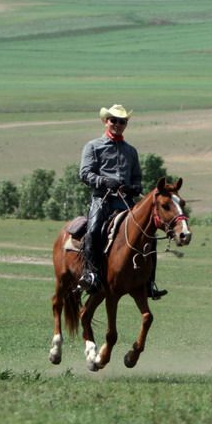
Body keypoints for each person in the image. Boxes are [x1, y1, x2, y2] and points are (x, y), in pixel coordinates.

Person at [76, 104, 168, 299]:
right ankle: (90, 274)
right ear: (106, 121)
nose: (118, 124)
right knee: (93, 231)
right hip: (102, 200)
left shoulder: (131, 151)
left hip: (126, 202)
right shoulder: (93, 146)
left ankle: (149, 282)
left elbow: (137, 178)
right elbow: (84, 174)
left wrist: (135, 187)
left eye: (122, 121)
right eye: (114, 120)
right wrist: (103, 181)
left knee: (148, 238)